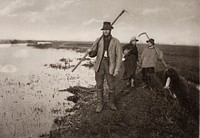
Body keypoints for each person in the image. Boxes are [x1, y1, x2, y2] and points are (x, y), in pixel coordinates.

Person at [88, 21, 122, 113]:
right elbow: (93, 53)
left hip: (110, 65)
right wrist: (90, 52)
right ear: (102, 31)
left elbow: (119, 56)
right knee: (99, 84)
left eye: (107, 29)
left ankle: (111, 102)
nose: (106, 31)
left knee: (111, 85)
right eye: (104, 30)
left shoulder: (116, 41)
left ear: (110, 30)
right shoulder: (98, 40)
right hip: (100, 65)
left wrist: (117, 69)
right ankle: (100, 103)